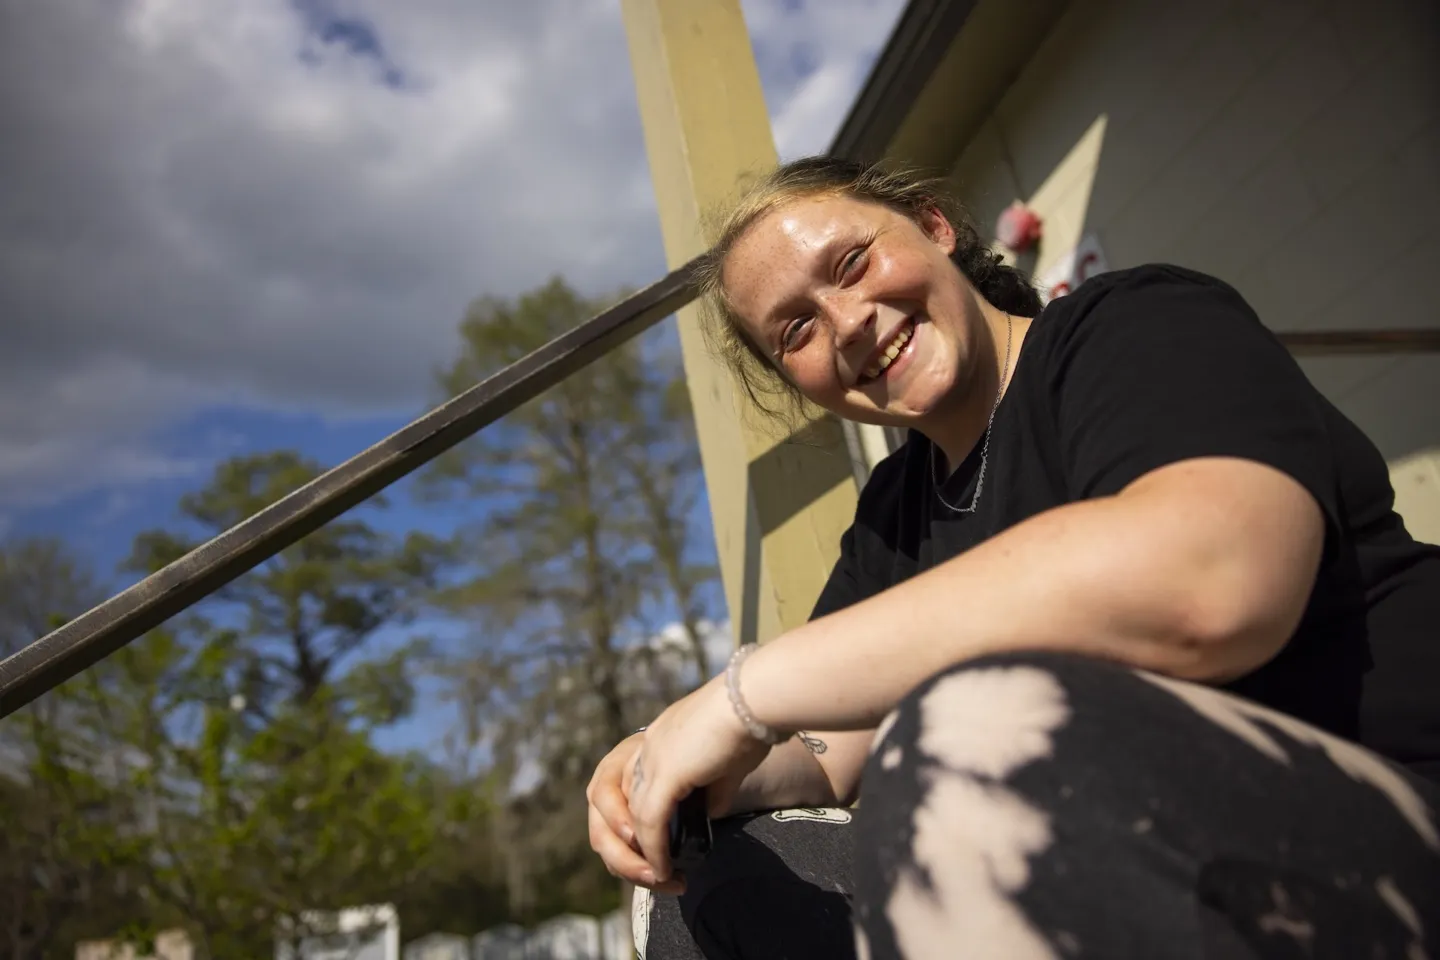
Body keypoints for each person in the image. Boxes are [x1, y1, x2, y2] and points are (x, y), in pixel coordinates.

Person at [586, 157, 1440, 959]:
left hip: (1383, 825)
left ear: (934, 226)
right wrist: (670, 762)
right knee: (703, 882)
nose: (848, 324)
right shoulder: (894, 517)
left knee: (971, 733)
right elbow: (826, 747)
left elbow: (1211, 583)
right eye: (796, 328)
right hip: (1120, 871)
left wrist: (745, 692)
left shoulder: (1132, 327)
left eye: (851, 264)